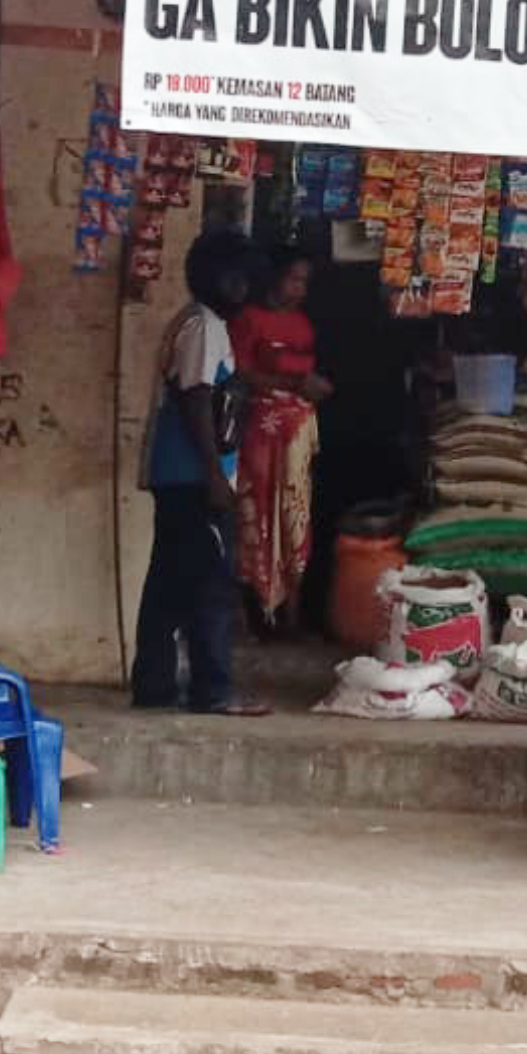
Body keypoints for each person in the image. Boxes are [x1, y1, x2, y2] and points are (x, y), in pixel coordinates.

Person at [131, 230, 269, 716]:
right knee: (210, 584)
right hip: (192, 478)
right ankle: (213, 690)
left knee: (169, 586)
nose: (242, 288)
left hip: (178, 476)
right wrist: (215, 476)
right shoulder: (203, 326)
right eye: (235, 277)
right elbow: (196, 400)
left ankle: (155, 686)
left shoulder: (197, 324)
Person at [231, 247, 331, 624]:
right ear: (274, 277)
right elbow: (241, 373)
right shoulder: (249, 320)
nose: (301, 289)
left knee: (293, 516)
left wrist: (308, 389)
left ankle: (290, 611)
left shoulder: (304, 325)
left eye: (305, 281)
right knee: (257, 516)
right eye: (295, 279)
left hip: (296, 439)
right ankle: (254, 609)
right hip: (262, 433)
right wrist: (291, 383)